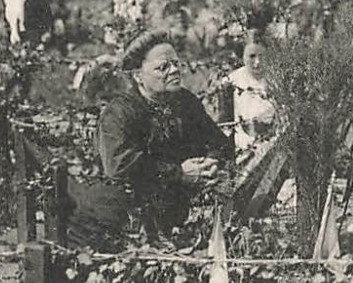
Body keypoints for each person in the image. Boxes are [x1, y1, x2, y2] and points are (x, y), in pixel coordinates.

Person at [94, 31, 233, 236]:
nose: (175, 70)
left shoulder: (185, 101)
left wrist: (209, 164)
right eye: (163, 67)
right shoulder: (119, 113)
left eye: (176, 63)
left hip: (180, 214)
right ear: (137, 75)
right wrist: (179, 173)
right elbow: (120, 166)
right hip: (131, 221)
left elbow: (218, 142)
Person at [226, 40, 276, 149]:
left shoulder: (277, 79)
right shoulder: (231, 81)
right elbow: (226, 124)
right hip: (243, 146)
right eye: (252, 56)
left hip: (274, 143)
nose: (257, 62)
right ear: (242, 57)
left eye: (262, 56)